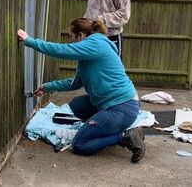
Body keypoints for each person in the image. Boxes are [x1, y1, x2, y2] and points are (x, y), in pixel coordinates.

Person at [17, 18, 146, 163]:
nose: (70, 40)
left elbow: (62, 50)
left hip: (122, 107)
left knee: (79, 145)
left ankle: (124, 135)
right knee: (77, 105)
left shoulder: (95, 44)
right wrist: (47, 86)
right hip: (115, 105)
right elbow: (75, 83)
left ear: (81, 35)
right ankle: (104, 129)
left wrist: (30, 41)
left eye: (71, 36)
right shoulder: (88, 54)